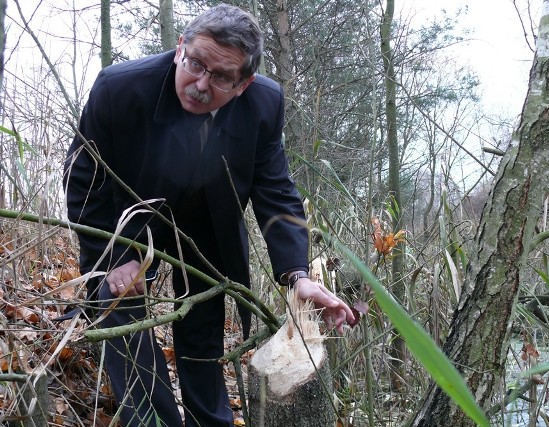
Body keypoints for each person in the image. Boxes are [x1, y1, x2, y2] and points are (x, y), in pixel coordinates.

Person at [64, 4, 355, 426]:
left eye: (220, 77)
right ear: (180, 47)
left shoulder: (264, 104)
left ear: (244, 83)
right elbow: (81, 178)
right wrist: (113, 257)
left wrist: (298, 274)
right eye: (195, 63)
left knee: (202, 329)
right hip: (127, 217)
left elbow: (275, 190)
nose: (200, 84)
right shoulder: (120, 88)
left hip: (206, 225)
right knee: (121, 310)